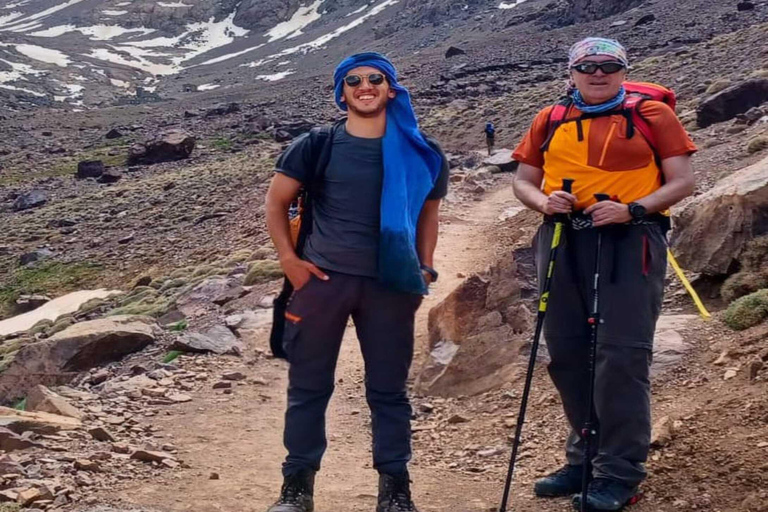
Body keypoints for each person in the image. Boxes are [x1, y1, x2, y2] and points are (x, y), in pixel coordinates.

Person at [512, 37, 696, 511]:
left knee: (622, 355)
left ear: (623, 70)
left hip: (630, 240)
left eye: (609, 65)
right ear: (571, 71)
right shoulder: (550, 119)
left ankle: (620, 472)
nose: (598, 73)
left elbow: (682, 180)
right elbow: (523, 182)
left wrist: (633, 209)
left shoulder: (653, 116)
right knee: (568, 353)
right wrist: (543, 203)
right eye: (587, 66)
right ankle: (585, 457)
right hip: (562, 239)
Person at [264, 52, 449, 512]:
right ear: (341, 92)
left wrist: (425, 266)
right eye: (354, 80)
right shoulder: (318, 144)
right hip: (324, 280)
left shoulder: (420, 149)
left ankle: (395, 488)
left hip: (391, 283)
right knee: (309, 385)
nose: (365, 86)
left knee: (388, 389)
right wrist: (289, 261)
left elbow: (429, 212)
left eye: (376, 79)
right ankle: (296, 489)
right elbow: (275, 201)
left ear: (391, 89)